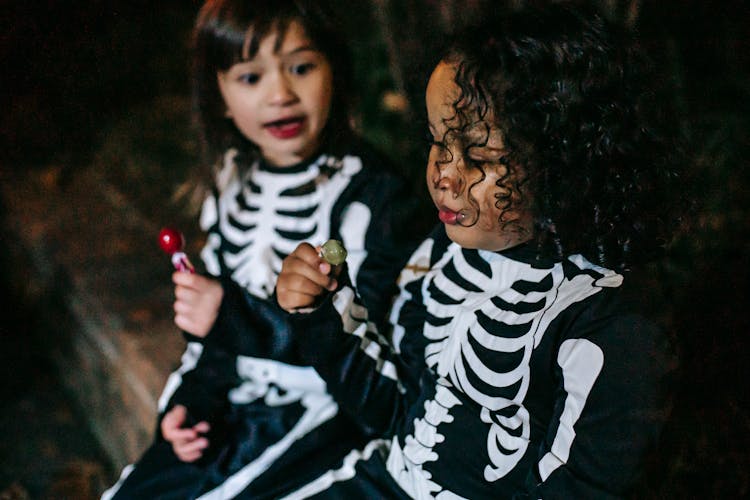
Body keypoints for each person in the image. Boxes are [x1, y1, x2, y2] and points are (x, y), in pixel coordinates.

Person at [274, 3, 683, 498]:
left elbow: (589, 486)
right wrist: (323, 312)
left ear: (564, 160)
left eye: (479, 156)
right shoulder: (440, 253)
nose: (445, 176)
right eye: (437, 143)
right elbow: (394, 409)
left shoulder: (610, 324)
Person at [102, 0, 423, 498]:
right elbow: (210, 347)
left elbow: (374, 348)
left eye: (301, 67)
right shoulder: (230, 181)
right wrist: (192, 402)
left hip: (329, 418)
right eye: (250, 77)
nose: (280, 94)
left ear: (334, 69)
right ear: (220, 94)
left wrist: (234, 316)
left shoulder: (374, 198)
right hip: (236, 410)